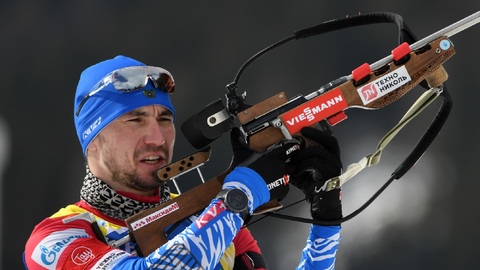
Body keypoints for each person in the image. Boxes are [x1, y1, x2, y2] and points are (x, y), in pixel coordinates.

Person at [24, 55, 343, 269]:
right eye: (134, 120)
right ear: (93, 141)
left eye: (164, 118)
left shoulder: (209, 214)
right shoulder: (55, 238)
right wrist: (240, 194)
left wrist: (325, 225)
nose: (157, 137)